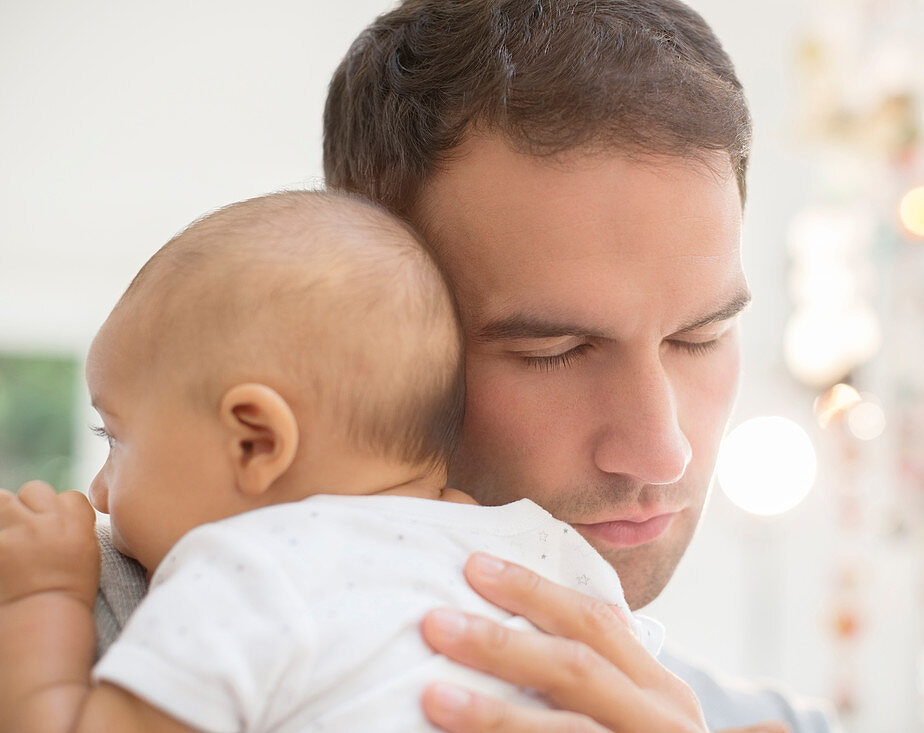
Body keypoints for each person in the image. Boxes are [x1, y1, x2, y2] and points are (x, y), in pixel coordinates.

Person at [95, 1, 838, 731]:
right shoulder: (79, 644)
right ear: (371, 329)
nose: (661, 448)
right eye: (554, 351)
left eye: (700, 337)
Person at [0, 191, 663, 732]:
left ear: (255, 441)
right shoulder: (542, 551)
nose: (101, 491)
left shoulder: (240, 571)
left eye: (115, 437)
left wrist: (40, 593)